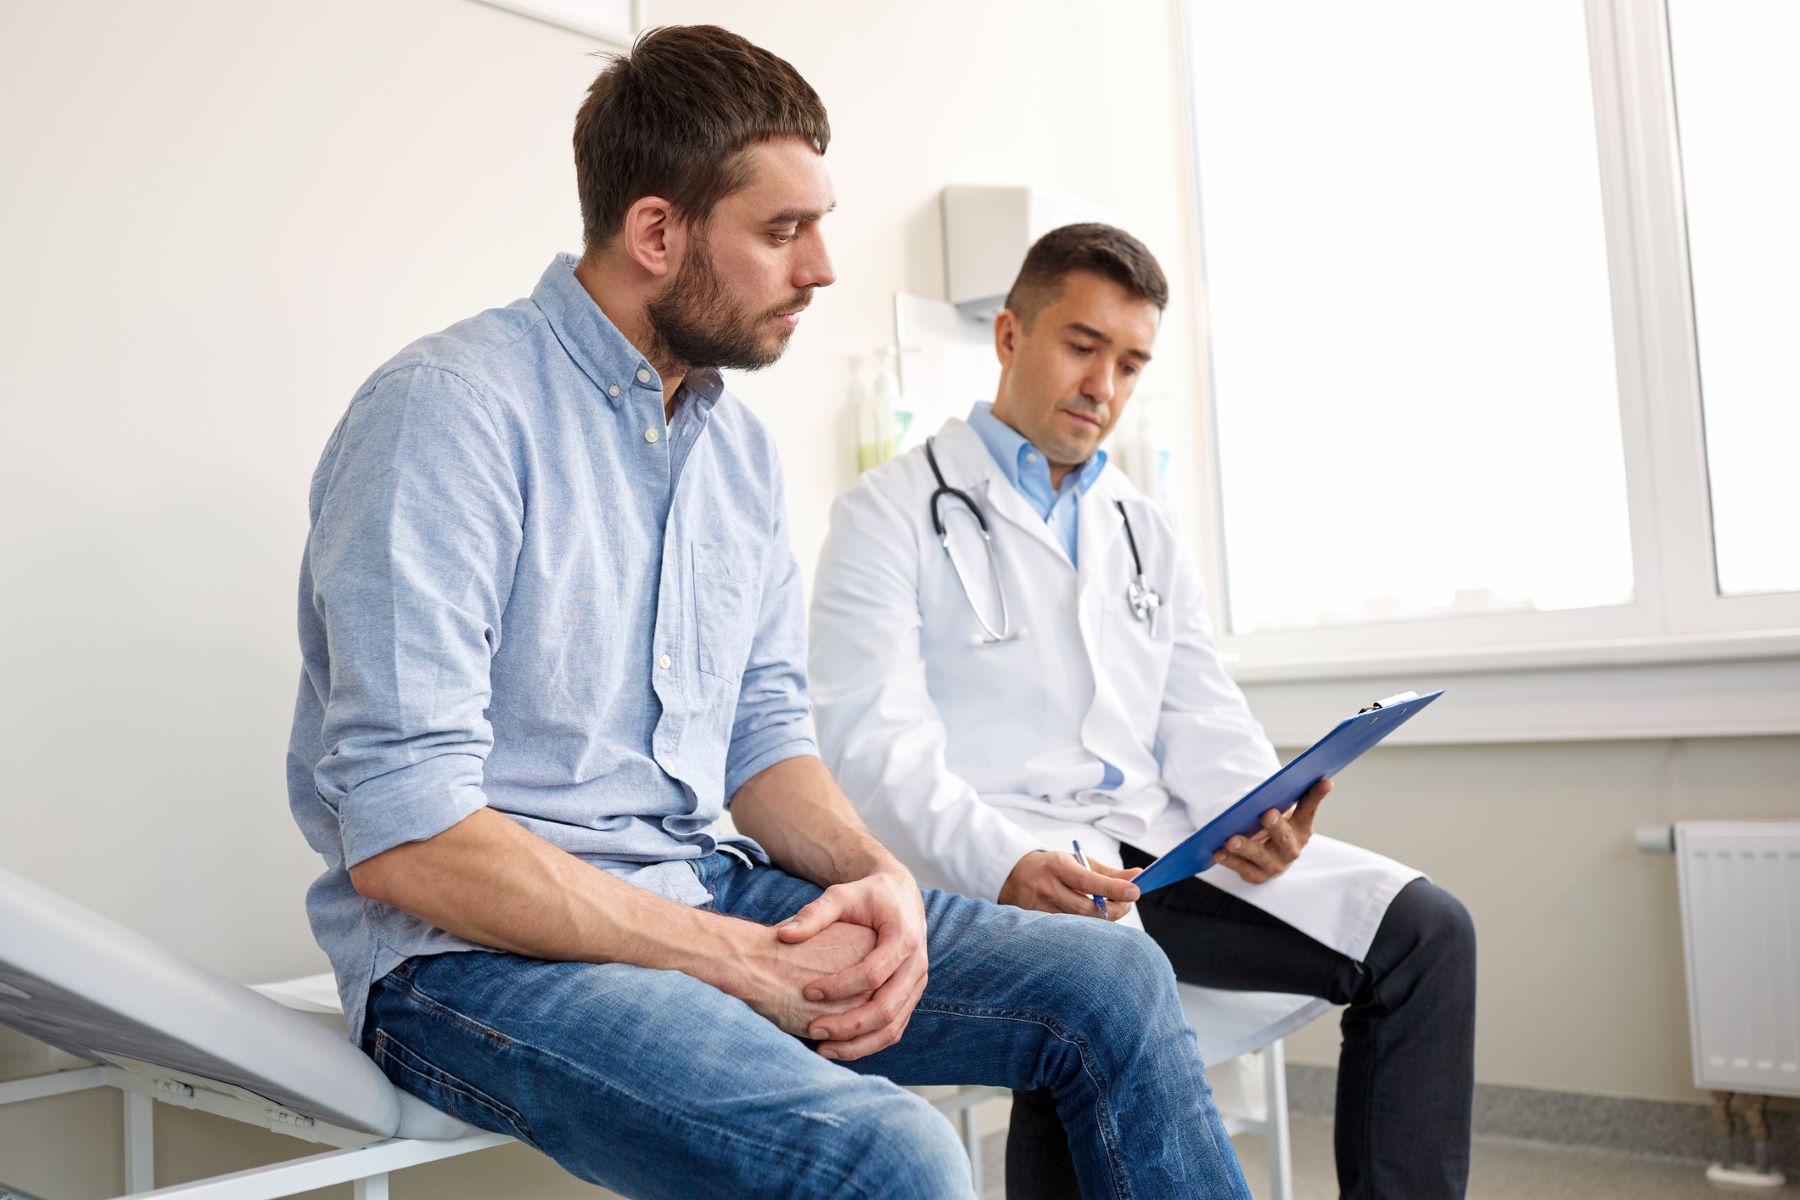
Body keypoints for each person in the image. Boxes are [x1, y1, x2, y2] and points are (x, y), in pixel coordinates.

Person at [285, 26, 1252, 1200]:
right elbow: (407, 835)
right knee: (894, 1155)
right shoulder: (449, 416)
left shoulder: (732, 450)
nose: (824, 267)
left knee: (1113, 981)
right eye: (784, 231)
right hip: (468, 964)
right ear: (656, 233)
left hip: (703, 889)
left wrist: (877, 874)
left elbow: (762, 736)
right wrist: (738, 960)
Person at [809, 222, 1479, 1199]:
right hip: (990, 862)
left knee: (1425, 932)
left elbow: (1199, 712)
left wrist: (1261, 809)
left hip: (1151, 850)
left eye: (1129, 363)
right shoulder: (886, 512)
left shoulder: (1143, 527)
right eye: (1082, 347)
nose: (1104, 388)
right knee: (1086, 986)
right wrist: (1003, 861)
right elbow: (873, 750)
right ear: (1008, 335)